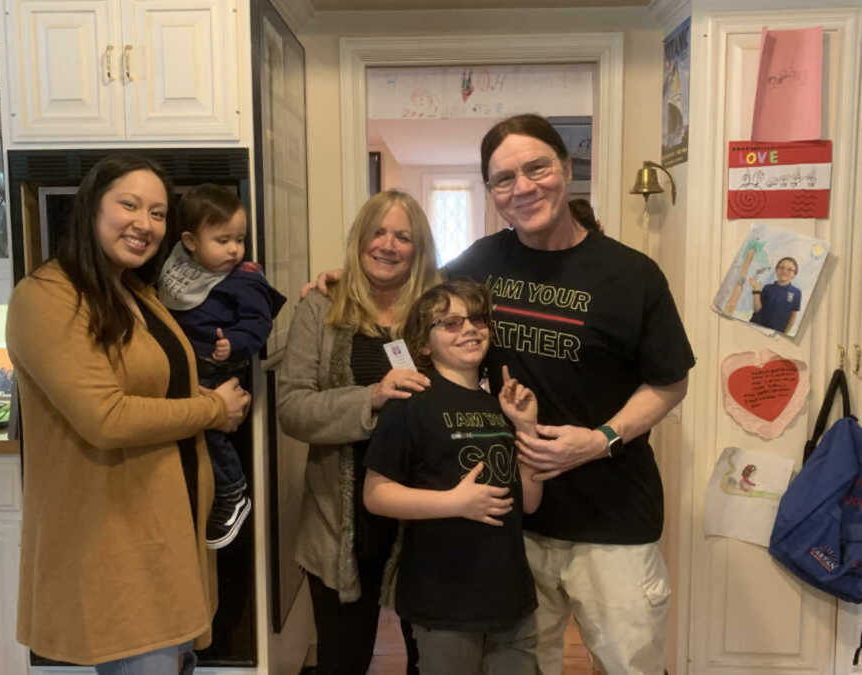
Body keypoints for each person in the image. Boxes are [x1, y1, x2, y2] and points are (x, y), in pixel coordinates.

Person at [441, 113, 695, 674]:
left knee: (630, 665)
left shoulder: (632, 275)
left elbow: (669, 381)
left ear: (566, 168)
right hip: (516, 518)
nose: (523, 187)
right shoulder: (480, 263)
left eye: (537, 168)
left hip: (614, 521)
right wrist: (340, 281)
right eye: (503, 178)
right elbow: (414, 304)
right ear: (491, 192)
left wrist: (601, 438)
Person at [6, 154, 251, 674]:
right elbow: (105, 417)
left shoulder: (134, 291)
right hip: (118, 542)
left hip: (167, 535)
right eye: (130, 205)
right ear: (92, 206)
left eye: (159, 213)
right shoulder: (47, 297)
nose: (145, 224)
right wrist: (212, 409)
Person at [278, 189, 440, 675]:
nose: (388, 245)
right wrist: (370, 397)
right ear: (360, 238)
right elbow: (292, 408)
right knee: (343, 661)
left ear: (420, 248)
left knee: (432, 661)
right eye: (378, 231)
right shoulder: (321, 309)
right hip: (341, 523)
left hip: (426, 522)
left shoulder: (437, 309)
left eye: (403, 236)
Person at [363, 279, 543, 675]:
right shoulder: (412, 401)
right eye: (450, 323)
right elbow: (376, 495)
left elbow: (528, 501)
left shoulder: (499, 405)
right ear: (424, 344)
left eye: (478, 320)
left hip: (512, 596)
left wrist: (526, 428)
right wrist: (456, 503)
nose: (469, 329)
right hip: (444, 601)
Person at [158, 183, 285, 549]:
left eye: (239, 239)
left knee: (210, 432)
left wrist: (235, 344)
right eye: (222, 239)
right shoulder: (178, 267)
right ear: (190, 242)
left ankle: (233, 491)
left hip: (218, 368)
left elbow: (259, 324)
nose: (234, 249)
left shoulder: (244, 279)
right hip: (185, 367)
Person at [748, 256, 801, 333]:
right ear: (776, 270)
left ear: (794, 274)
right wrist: (756, 291)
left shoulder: (796, 292)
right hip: (756, 328)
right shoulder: (767, 288)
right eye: (781, 267)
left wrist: (785, 334)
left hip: (776, 333)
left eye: (789, 269)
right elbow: (757, 310)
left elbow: (793, 316)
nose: (784, 271)